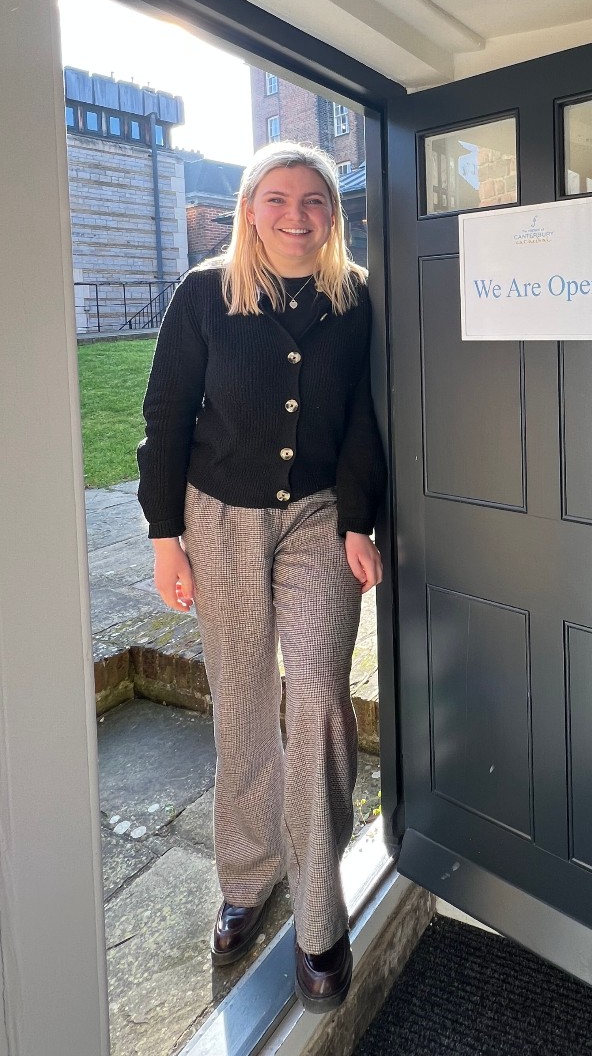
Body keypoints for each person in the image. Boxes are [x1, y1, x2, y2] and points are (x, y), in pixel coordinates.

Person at [137, 141, 386, 1013]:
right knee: (243, 698)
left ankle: (320, 913)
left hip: (319, 516)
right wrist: (166, 534)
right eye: (275, 199)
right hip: (220, 519)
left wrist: (359, 520)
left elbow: (363, 420)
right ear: (249, 209)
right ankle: (247, 876)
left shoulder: (355, 301)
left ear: (332, 213)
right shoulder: (206, 294)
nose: (295, 214)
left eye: (312, 200)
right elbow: (165, 414)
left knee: (317, 695)